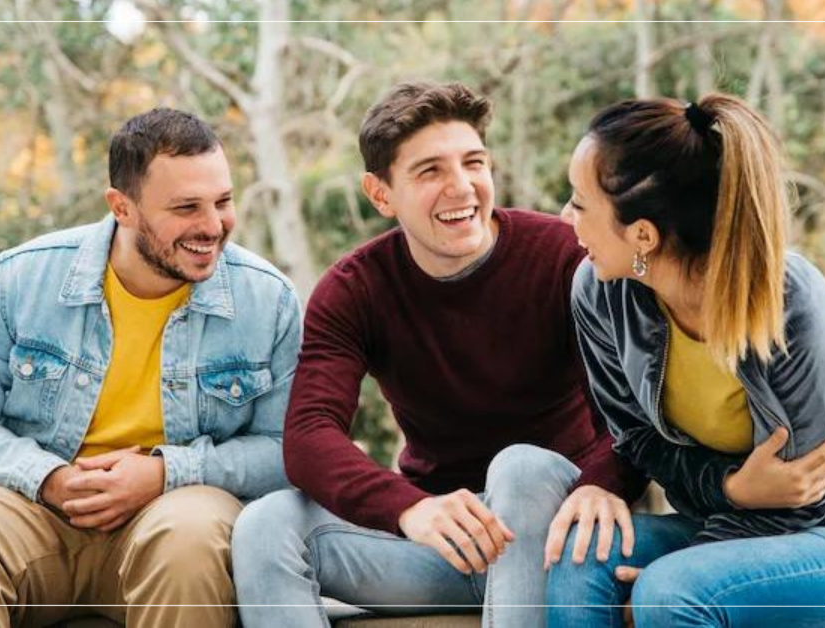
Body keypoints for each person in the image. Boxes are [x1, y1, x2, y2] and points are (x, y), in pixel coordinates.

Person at [231, 81, 645, 628]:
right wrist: (409, 506)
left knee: (518, 467)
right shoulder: (356, 288)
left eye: (473, 163)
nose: (462, 188)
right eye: (430, 172)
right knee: (265, 524)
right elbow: (309, 436)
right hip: (445, 543)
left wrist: (600, 483)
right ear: (381, 195)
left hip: (555, 528)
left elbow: (638, 414)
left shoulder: (569, 257)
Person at [0, 108, 301, 628]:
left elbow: (288, 449)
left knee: (193, 538)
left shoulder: (268, 300)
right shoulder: (20, 278)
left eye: (223, 202)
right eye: (186, 207)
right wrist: (49, 479)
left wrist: (164, 473)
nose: (212, 226)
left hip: (175, 514)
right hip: (35, 511)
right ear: (122, 207)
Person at [544, 93, 825, 627]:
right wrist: (730, 490)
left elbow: (804, 492)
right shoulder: (601, 293)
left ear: (642, 234)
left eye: (579, 203)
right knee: (583, 555)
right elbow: (639, 443)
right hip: (728, 522)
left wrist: (691, 565)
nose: (564, 217)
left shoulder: (794, 306)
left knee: (671, 593)